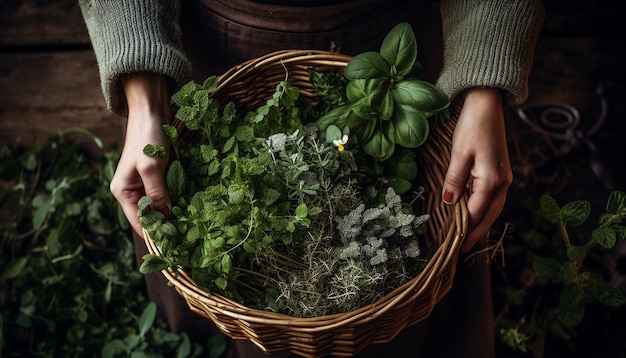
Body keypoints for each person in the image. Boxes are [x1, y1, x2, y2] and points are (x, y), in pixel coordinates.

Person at [78, 1, 544, 357]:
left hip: (395, 50)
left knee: (416, 313)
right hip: (210, 42)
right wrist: (144, 97)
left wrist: (483, 80)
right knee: (206, 289)